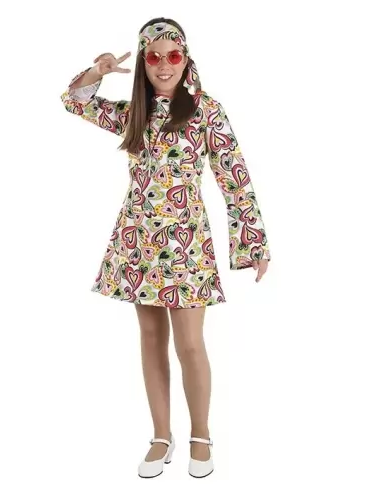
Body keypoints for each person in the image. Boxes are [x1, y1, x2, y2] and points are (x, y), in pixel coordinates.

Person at [60, 17, 271, 479]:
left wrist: (252, 241)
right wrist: (97, 71)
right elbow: (74, 101)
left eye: (172, 55)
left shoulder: (206, 110)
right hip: (138, 240)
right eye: (153, 56)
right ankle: (161, 435)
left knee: (190, 342)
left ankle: (201, 434)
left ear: (185, 59)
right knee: (151, 337)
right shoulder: (133, 112)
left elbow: (233, 176)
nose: (163, 65)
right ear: (143, 61)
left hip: (187, 243)